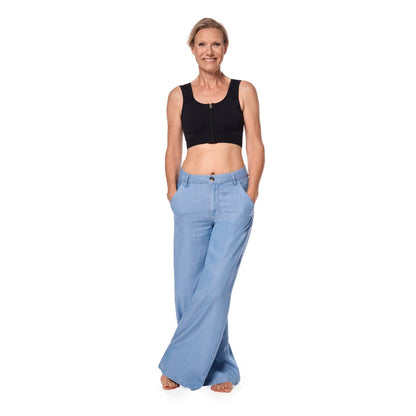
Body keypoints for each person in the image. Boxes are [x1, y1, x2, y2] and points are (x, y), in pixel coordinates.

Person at [158, 17, 265, 393]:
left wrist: (251, 193)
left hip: (235, 195)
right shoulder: (178, 95)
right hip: (191, 195)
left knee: (216, 287)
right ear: (192, 49)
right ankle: (215, 368)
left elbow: (256, 143)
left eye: (216, 44)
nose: (209, 51)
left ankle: (187, 366)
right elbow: (172, 147)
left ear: (225, 48)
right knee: (189, 288)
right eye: (202, 44)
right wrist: (173, 193)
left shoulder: (244, 90)